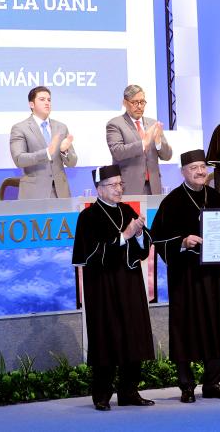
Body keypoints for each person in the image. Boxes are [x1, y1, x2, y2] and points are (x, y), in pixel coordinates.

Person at [151, 149, 220, 403]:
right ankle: (186, 385)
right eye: (194, 168)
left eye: (203, 167)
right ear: (183, 172)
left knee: (216, 325)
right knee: (185, 329)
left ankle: (212, 383)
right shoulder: (172, 202)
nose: (200, 171)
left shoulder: (216, 197)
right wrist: (182, 242)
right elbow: (157, 238)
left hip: (214, 276)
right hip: (186, 277)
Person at [72, 165, 155, 411]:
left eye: (121, 184)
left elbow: (142, 246)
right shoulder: (88, 217)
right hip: (104, 288)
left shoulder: (127, 210)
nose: (119, 189)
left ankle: (129, 391)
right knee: (106, 337)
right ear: (99, 189)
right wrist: (124, 235)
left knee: (133, 334)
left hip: (129, 285)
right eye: (113, 185)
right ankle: (102, 394)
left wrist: (139, 234)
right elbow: (91, 254)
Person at [9, 86, 77, 199]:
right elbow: (19, 159)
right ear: (31, 104)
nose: (47, 103)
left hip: (61, 193)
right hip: (35, 194)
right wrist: (46, 153)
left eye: (49, 100)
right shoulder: (20, 128)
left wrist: (64, 151)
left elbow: (72, 162)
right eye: (42, 99)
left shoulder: (61, 127)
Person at [106, 84, 173, 195]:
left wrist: (158, 143)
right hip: (129, 188)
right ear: (125, 103)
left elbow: (167, 156)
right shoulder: (115, 124)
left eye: (142, 102)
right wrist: (143, 143)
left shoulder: (153, 123)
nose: (139, 106)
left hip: (153, 188)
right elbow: (117, 152)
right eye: (135, 102)